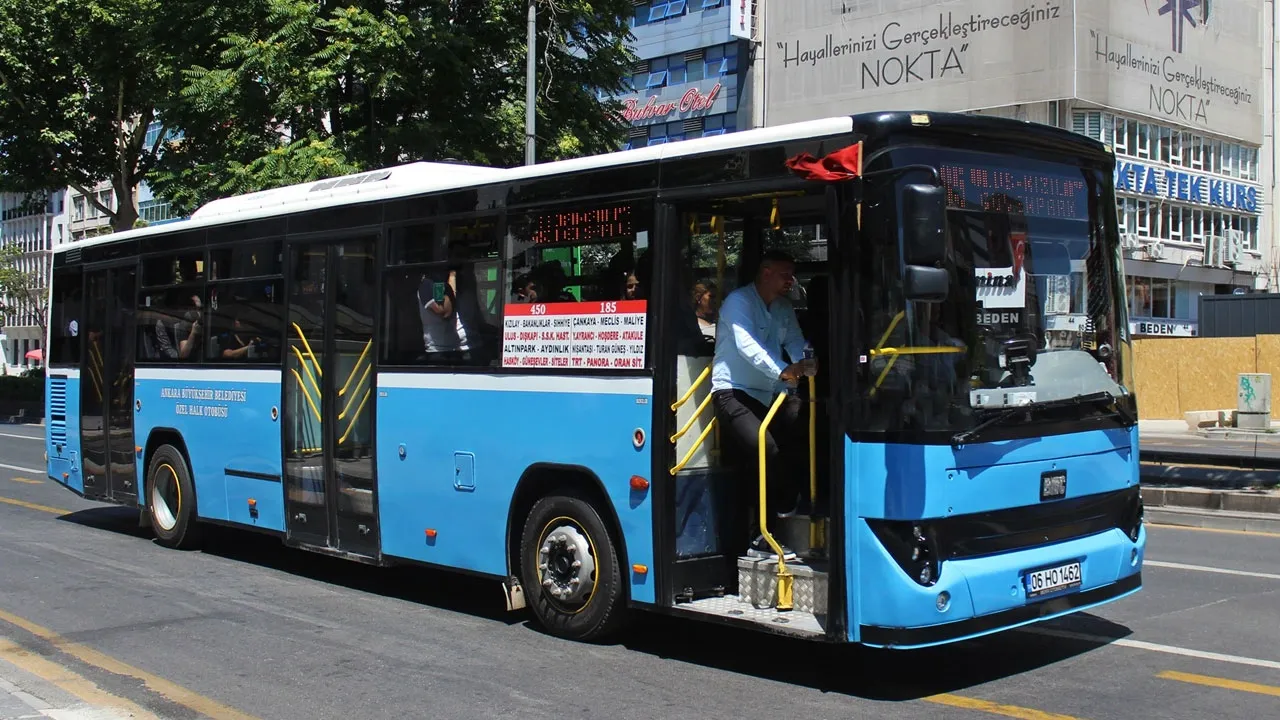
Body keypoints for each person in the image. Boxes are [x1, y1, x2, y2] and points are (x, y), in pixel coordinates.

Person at [710, 250, 816, 561]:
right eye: (785, 274)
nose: (790, 281)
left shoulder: (783, 307)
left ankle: (790, 502)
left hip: (769, 395)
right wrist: (783, 370)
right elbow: (747, 348)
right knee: (764, 448)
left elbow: (795, 340)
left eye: (792, 275)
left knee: (806, 422)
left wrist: (806, 361)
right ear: (765, 272)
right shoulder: (738, 303)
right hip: (733, 392)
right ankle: (760, 534)